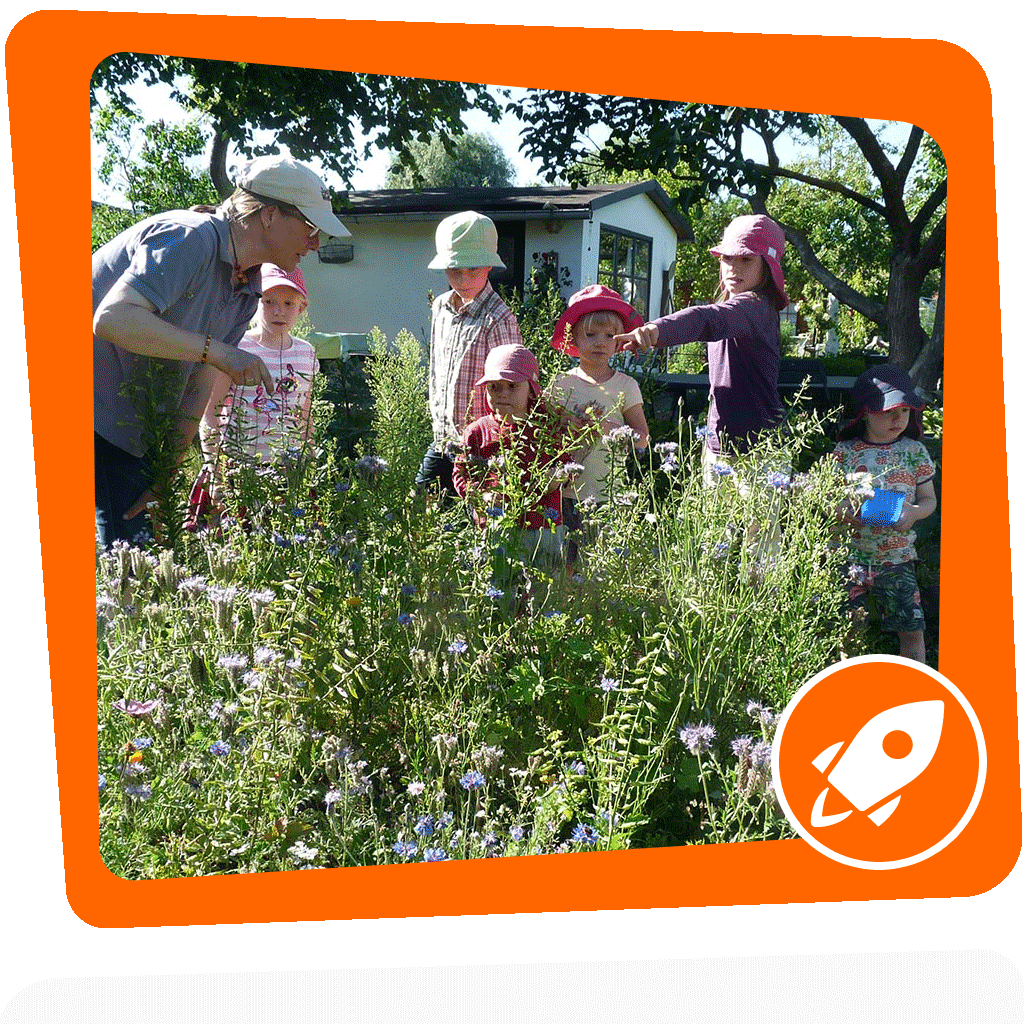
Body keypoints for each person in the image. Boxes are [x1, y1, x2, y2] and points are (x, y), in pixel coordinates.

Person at [92, 153, 350, 546]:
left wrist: (164, 475)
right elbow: (112, 319)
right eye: (310, 225)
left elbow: (200, 383)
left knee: (140, 559)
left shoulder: (248, 284)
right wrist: (218, 351)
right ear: (268, 215)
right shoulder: (190, 237)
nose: (316, 243)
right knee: (122, 564)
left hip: (127, 425)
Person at [616, 214, 788, 481]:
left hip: (758, 451)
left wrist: (655, 330)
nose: (734, 267)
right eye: (727, 258)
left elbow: (704, 320)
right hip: (719, 445)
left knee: (758, 525)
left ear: (767, 266)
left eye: (746, 259)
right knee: (715, 523)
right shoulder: (731, 308)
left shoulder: (757, 306)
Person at [192, 264, 319, 528]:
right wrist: (216, 470)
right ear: (255, 302)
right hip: (238, 469)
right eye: (269, 301)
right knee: (237, 544)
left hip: (285, 470)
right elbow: (211, 414)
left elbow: (305, 416)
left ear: (302, 308)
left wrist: (309, 462)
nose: (278, 311)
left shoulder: (307, 354)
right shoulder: (236, 347)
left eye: (288, 303)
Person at [833, 365, 937, 663]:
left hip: (898, 559)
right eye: (889, 411)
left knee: (912, 630)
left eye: (904, 412)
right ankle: (847, 688)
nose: (898, 419)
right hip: (851, 559)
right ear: (865, 412)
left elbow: (929, 500)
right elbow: (828, 499)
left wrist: (915, 512)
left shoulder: (913, 451)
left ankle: (918, 688)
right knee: (849, 632)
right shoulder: (845, 452)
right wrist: (842, 511)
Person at [416, 211, 523, 501]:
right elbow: (437, 370)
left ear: (489, 265)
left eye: (472, 270)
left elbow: (512, 388)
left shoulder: (499, 319)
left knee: (475, 524)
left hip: (480, 446)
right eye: (454, 270)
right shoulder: (440, 307)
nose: (463, 279)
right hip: (442, 438)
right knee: (419, 510)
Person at [453, 344, 571, 569]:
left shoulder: (547, 428)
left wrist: (556, 476)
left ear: (532, 389)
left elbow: (568, 465)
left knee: (544, 589)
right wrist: (481, 495)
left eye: (513, 386)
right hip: (496, 524)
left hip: (543, 527)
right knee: (501, 586)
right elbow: (461, 473)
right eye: (494, 387)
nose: (503, 393)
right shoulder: (478, 431)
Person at [548, 284, 650, 506]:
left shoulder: (626, 386)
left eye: (609, 335)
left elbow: (642, 440)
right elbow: (542, 431)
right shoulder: (562, 383)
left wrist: (608, 429)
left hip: (610, 495)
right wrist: (566, 424)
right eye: (590, 334)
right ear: (573, 338)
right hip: (565, 494)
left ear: (620, 341)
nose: (600, 342)